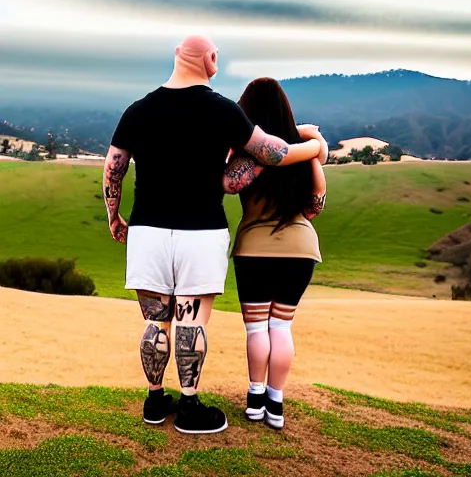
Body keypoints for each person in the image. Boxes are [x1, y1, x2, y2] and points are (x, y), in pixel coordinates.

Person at [102, 35, 327, 435]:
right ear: (210, 59)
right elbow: (271, 152)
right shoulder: (222, 110)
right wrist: (312, 146)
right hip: (200, 230)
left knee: (156, 321)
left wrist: (114, 216)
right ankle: (190, 409)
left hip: (147, 229)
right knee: (191, 321)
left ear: (175, 56)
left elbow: (113, 167)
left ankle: (155, 402)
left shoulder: (138, 110)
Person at [223, 77, 327, 430]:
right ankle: (275, 403)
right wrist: (312, 142)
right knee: (281, 327)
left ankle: (254, 400)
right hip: (300, 250)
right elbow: (315, 206)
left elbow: (228, 181)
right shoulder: (305, 153)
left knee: (256, 330)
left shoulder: (244, 156)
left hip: (253, 249)